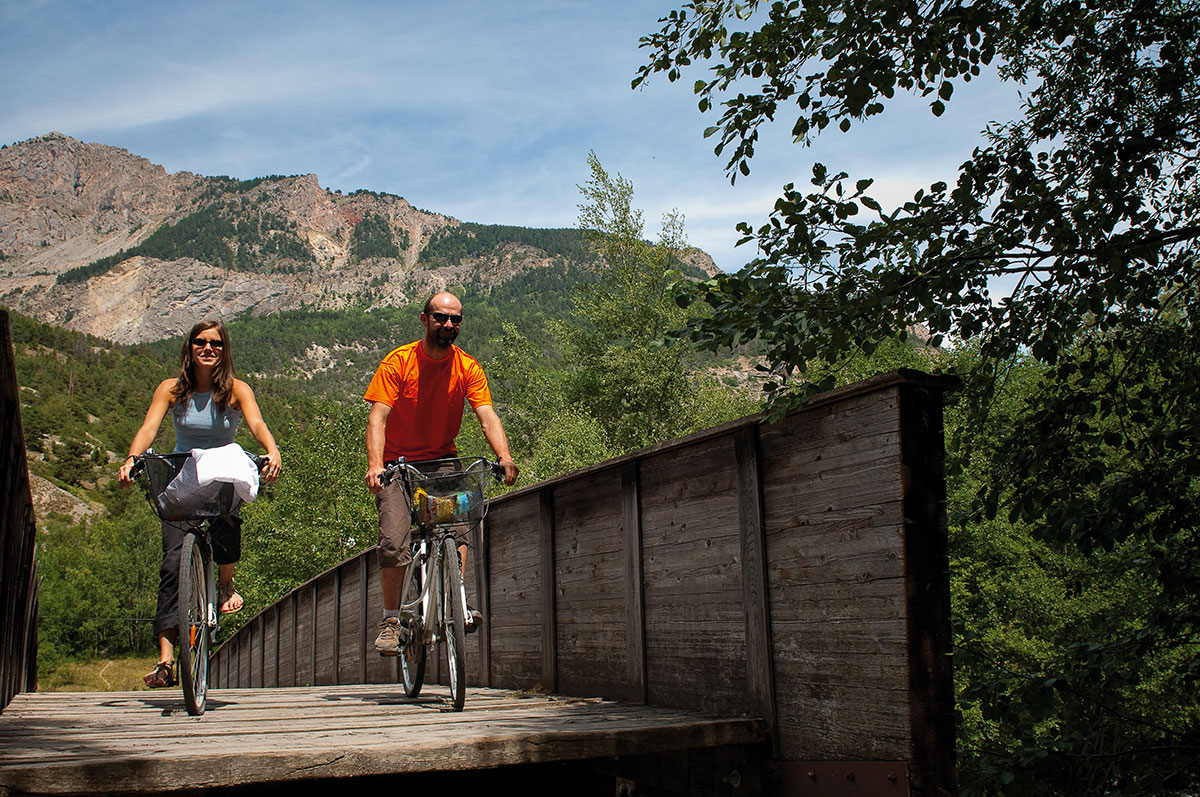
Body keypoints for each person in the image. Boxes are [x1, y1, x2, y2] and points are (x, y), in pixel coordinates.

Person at [118, 320, 282, 688]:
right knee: (172, 563)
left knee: (228, 519)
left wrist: (272, 450)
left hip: (220, 473)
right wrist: (132, 457)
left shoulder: (236, 390)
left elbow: (256, 423)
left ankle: (225, 585)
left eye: (216, 344)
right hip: (183, 474)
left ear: (224, 351)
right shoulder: (172, 390)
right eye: (201, 342)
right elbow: (148, 429)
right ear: (189, 347)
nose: (208, 348)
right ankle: (165, 659)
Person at [364, 291, 519, 655]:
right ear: (424, 319)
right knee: (393, 540)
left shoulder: (467, 366)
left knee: (462, 527)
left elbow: (487, 416)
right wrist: (375, 465)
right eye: (440, 317)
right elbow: (378, 418)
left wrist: (505, 456)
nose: (448, 324)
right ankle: (390, 621)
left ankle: (457, 601)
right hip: (397, 466)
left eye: (455, 319)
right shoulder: (399, 362)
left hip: (443, 462)